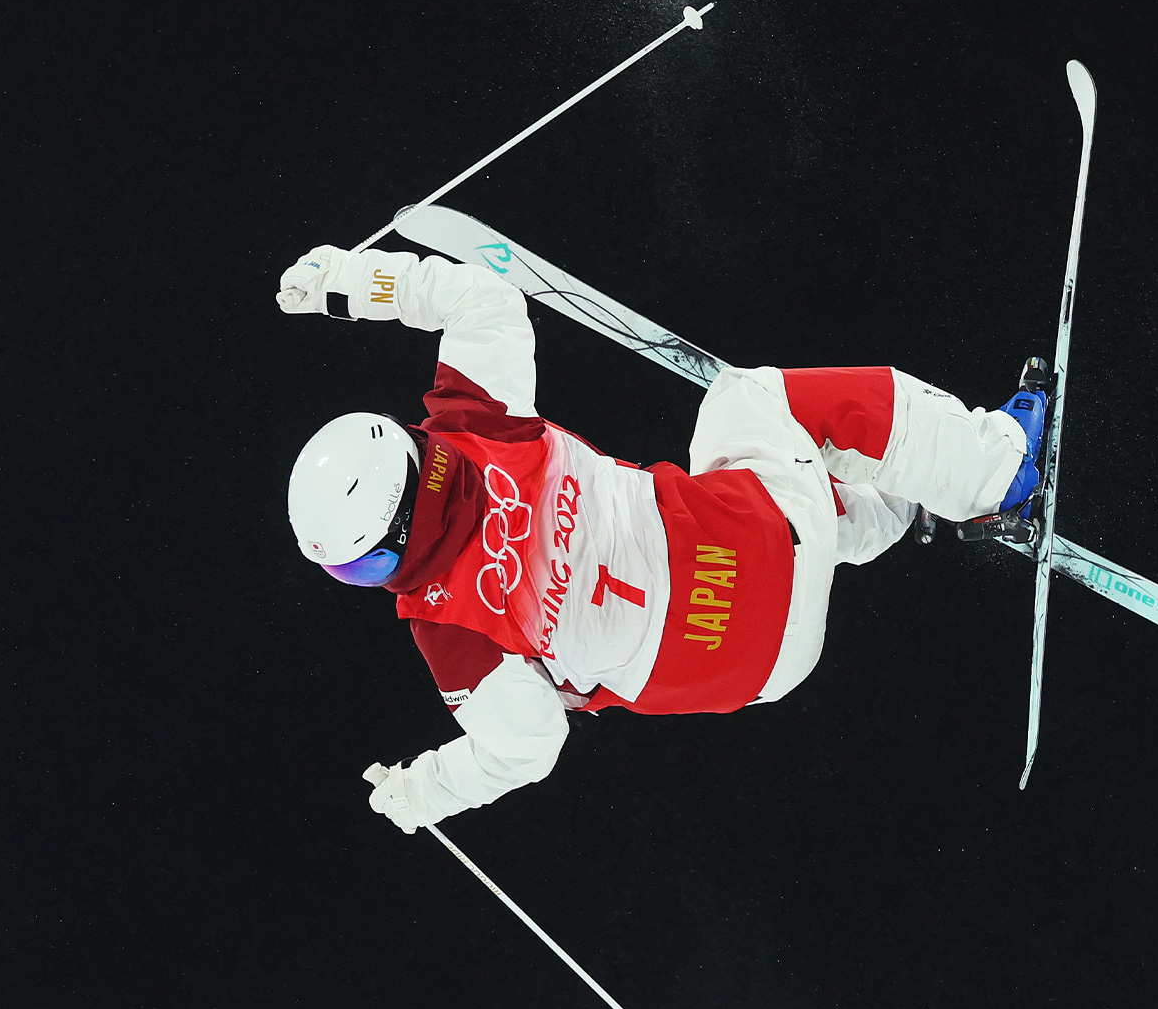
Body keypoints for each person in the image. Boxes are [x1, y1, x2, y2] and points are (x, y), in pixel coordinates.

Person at [276, 245, 1048, 833]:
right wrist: (356, 283)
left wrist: (419, 794)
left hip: (754, 669)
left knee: (760, 488)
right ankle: (992, 471)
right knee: (746, 404)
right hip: (756, 541)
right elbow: (485, 299)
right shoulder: (472, 423)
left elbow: (527, 749)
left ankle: (911, 511)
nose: (385, 570)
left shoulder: (447, 632)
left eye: (360, 563)